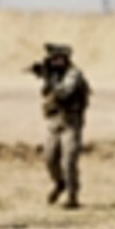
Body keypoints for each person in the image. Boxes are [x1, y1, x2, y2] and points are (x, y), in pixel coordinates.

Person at [32, 43, 90, 208]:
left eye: (59, 59)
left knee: (69, 161)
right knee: (49, 158)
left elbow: (64, 92)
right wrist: (45, 77)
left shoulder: (74, 74)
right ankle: (59, 183)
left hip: (71, 123)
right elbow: (46, 94)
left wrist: (48, 79)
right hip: (53, 122)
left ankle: (72, 196)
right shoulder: (54, 74)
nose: (56, 62)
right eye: (53, 59)